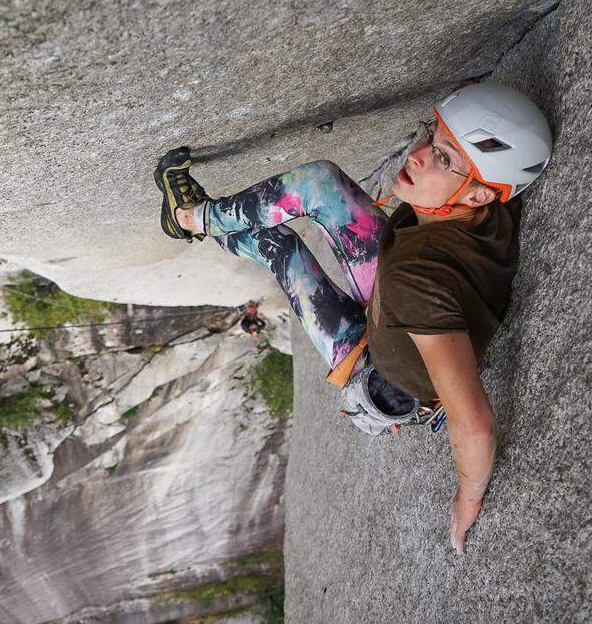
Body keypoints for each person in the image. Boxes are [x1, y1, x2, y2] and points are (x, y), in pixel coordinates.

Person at [153, 83, 552, 554]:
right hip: (390, 303)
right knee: (320, 181)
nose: (419, 155)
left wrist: (467, 498)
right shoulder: (488, 209)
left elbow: (476, 425)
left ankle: (187, 219)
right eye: (432, 137)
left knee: (278, 247)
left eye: (444, 159)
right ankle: (193, 218)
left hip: (372, 360)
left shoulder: (419, 282)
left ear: (480, 195)